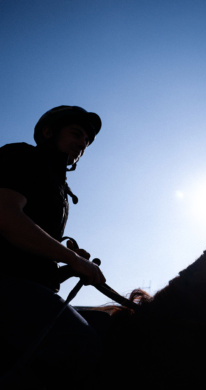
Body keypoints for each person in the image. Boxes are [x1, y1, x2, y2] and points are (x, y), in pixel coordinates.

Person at [0, 106, 107, 389]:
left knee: (110, 327)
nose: (82, 143)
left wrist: (70, 269)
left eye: (86, 141)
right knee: (78, 343)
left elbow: (35, 269)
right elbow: (6, 216)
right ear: (49, 132)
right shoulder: (24, 156)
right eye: (76, 133)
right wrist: (70, 256)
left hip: (27, 287)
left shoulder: (59, 187)